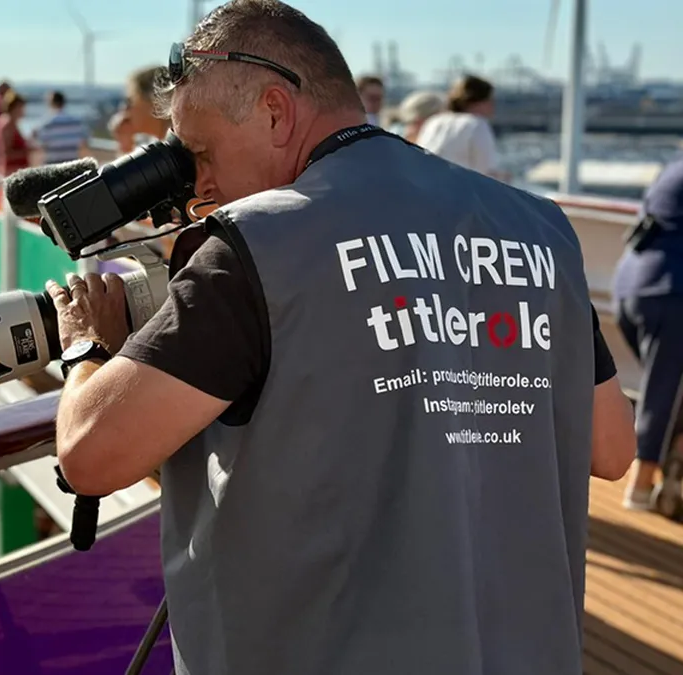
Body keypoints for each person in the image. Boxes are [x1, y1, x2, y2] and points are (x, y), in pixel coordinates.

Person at [48, 2, 634, 673]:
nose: (200, 185)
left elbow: (91, 454)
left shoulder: (257, 244)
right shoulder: (540, 228)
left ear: (275, 110)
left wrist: (88, 343)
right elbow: (612, 447)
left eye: (201, 153)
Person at [613, 157, 683, 510]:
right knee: (667, 392)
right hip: (670, 292)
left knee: (668, 389)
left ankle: (669, 477)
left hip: (632, 285)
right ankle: (640, 487)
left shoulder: (674, 166)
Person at [416, 74, 509, 181]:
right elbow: (486, 173)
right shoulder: (476, 124)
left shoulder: (434, 122)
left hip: (429, 188)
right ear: (479, 101)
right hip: (460, 192)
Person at [108, 66, 171, 154]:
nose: (125, 109)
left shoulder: (182, 151)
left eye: (129, 101)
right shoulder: (161, 149)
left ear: (155, 102)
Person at [33, 90, 90, 164]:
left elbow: (39, 145)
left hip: (52, 166)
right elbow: (85, 142)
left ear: (51, 103)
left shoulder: (46, 124)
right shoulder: (77, 122)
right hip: (72, 165)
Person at [0, 91, 29, 176]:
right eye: (21, 107)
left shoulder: (12, 123)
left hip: (16, 170)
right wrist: (27, 151)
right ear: (14, 107)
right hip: (11, 172)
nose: (23, 111)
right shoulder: (7, 124)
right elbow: (6, 153)